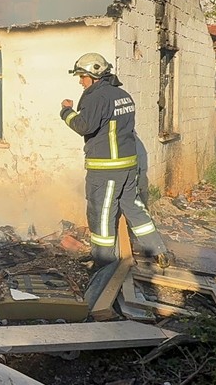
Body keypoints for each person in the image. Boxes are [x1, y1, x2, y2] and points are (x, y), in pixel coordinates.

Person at [59, 52, 169, 266]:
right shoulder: (123, 94)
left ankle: (104, 265)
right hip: (128, 167)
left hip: (106, 170)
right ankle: (158, 250)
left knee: (101, 214)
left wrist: (66, 111)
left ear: (94, 75)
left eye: (82, 77)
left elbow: (83, 126)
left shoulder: (97, 97)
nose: (81, 82)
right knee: (134, 208)